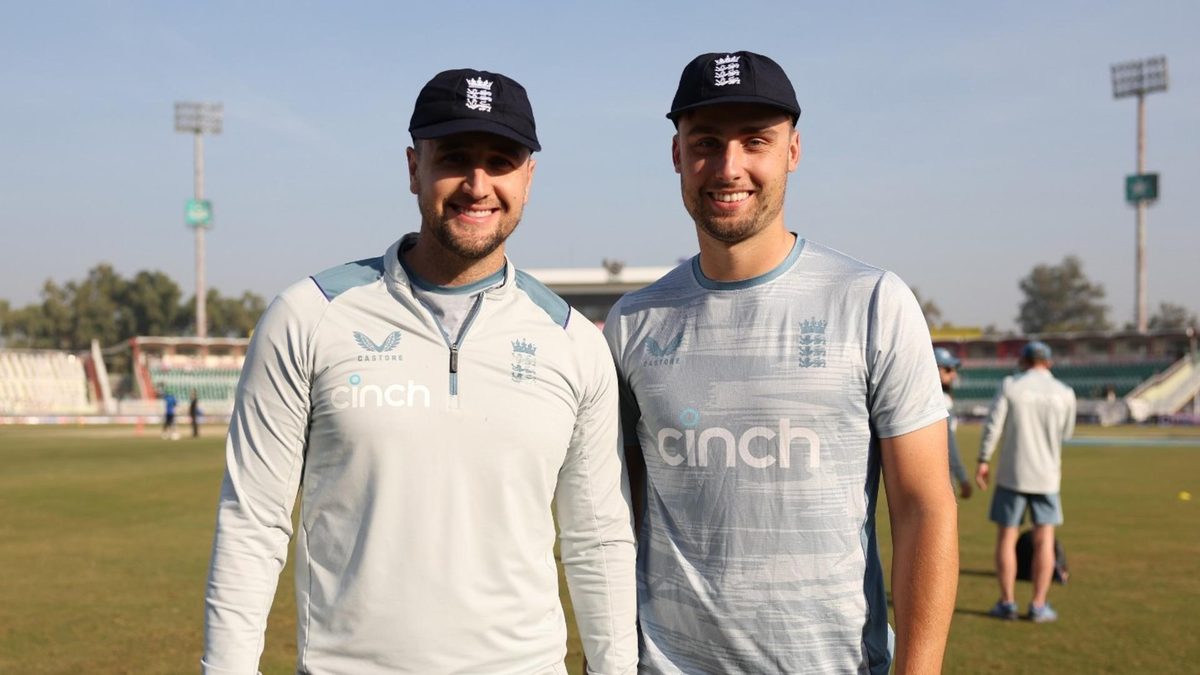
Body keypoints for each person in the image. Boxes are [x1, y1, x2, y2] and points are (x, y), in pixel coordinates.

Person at [202, 68, 637, 674]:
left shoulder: (571, 341)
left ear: (529, 177)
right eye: (455, 157)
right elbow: (253, 521)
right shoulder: (309, 315)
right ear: (414, 168)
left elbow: (598, 541)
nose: (477, 184)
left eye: (501, 161)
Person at [604, 51, 958, 674]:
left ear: (793, 151)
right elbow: (616, 516)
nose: (729, 166)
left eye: (755, 141)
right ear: (677, 156)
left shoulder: (872, 301)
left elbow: (924, 505)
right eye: (706, 143)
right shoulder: (634, 322)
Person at [975, 340, 1076, 623]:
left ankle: (1007, 602)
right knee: (1045, 541)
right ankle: (1038, 604)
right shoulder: (1065, 393)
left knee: (1007, 538)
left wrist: (983, 459)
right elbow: (1066, 433)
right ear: (1049, 362)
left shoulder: (1011, 385)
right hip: (1047, 477)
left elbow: (993, 426)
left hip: (1012, 474)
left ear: (1023, 361)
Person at [935, 346, 972, 499]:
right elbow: (948, 443)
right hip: (939, 474)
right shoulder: (941, 401)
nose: (954, 374)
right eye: (948, 369)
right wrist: (962, 477)